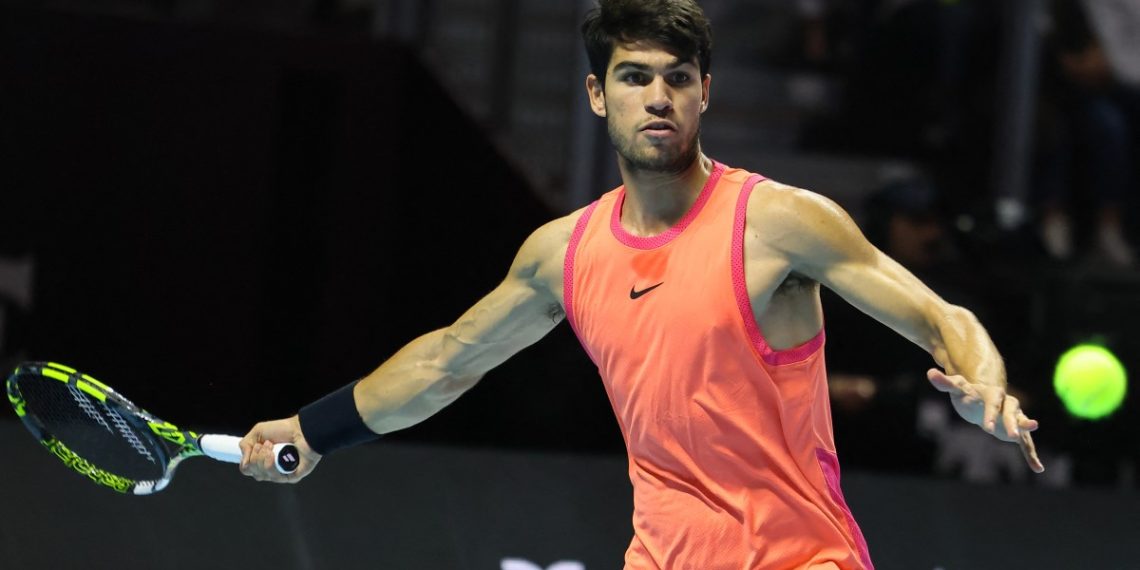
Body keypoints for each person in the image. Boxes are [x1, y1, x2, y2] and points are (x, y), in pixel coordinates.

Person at [240, 1, 1044, 567]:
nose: (657, 97)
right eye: (632, 78)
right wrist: (314, 432)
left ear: (704, 93)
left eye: (676, 77)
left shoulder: (779, 223)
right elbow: (448, 361)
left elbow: (944, 317)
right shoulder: (565, 252)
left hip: (800, 559)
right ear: (597, 95)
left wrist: (984, 385)